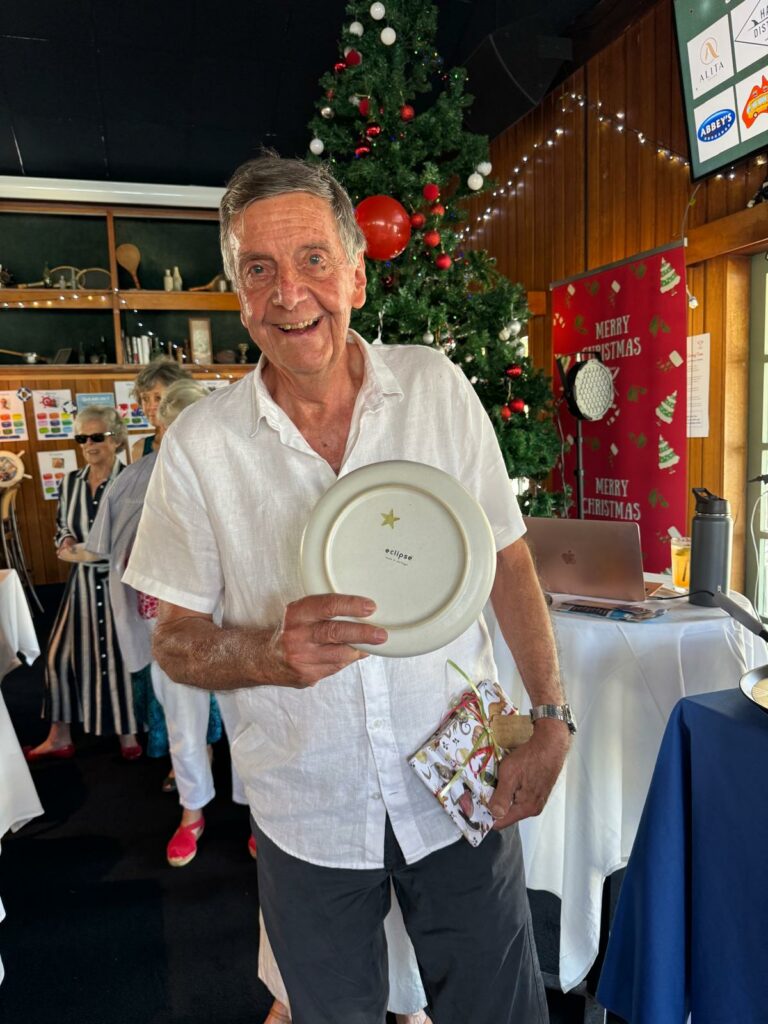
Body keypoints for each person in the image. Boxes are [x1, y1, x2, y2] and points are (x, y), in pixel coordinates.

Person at [125, 154, 571, 1023]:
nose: (289, 294)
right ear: (239, 295)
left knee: (501, 1008)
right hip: (308, 812)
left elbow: (508, 559)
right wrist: (266, 653)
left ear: (357, 276)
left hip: (460, 788)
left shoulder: (435, 389)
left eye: (313, 260)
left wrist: (551, 717)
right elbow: (172, 638)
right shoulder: (200, 448)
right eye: (260, 269)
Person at [25, 406, 140, 761]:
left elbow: (138, 534)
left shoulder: (130, 480)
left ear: (116, 439)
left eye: (97, 436)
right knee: (58, 657)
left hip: (119, 585)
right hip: (81, 586)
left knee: (121, 655)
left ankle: (128, 732)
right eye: (82, 438)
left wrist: (107, 551)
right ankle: (59, 735)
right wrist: (65, 541)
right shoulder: (70, 482)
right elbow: (63, 525)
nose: (89, 444)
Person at [130, 357, 192, 463]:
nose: (150, 406)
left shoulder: (194, 443)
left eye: (158, 398)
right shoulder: (139, 448)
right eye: (145, 398)